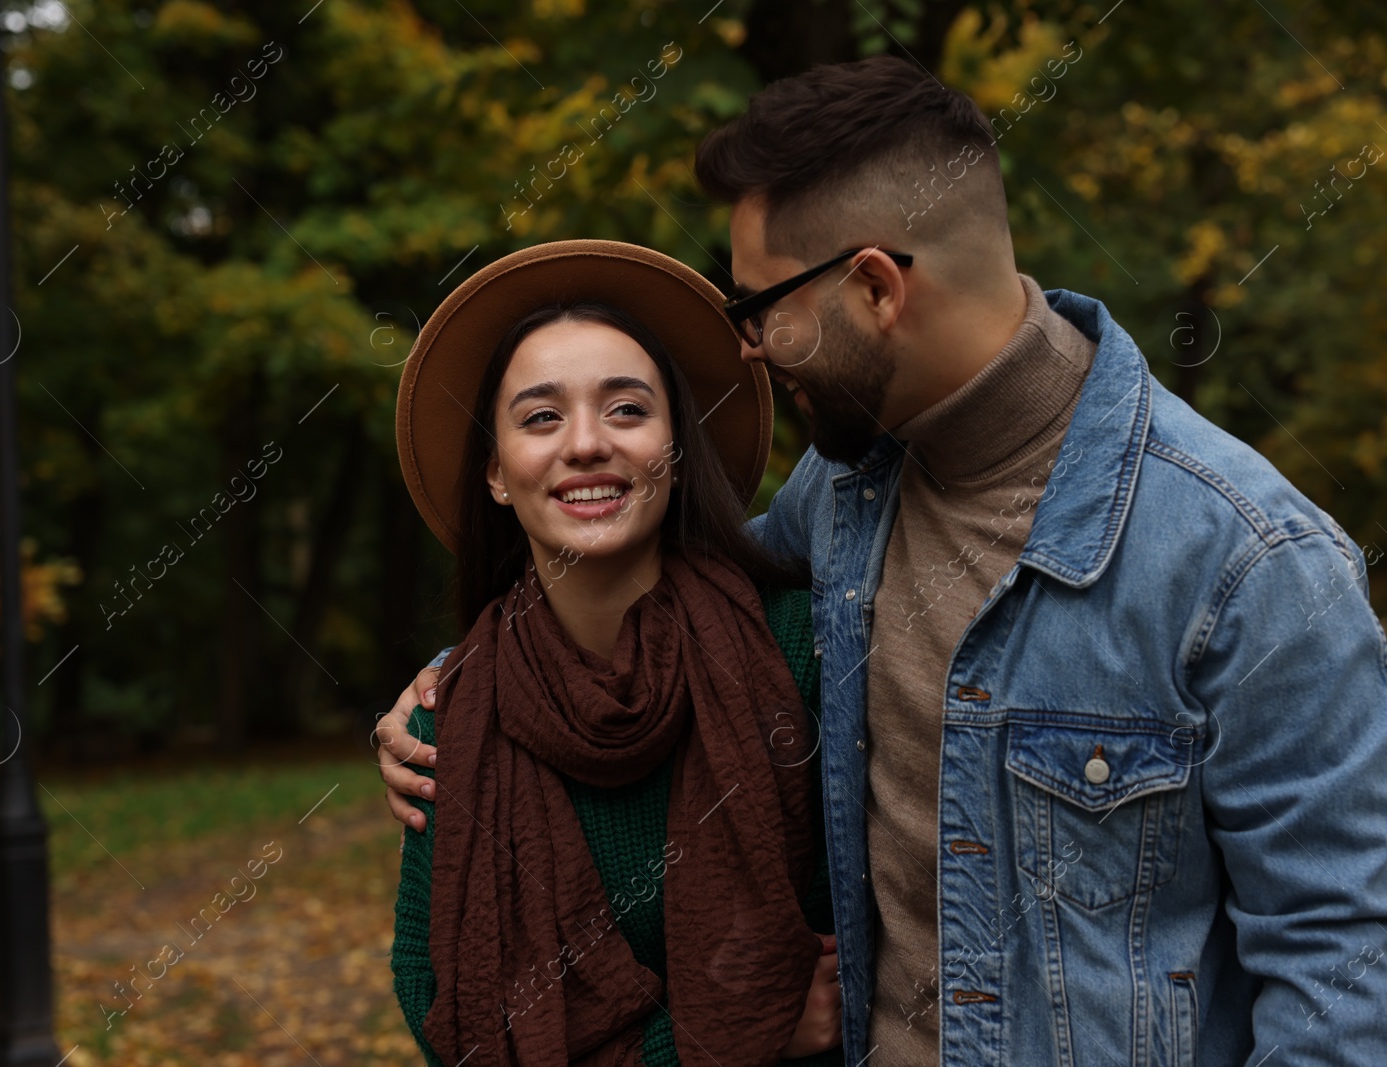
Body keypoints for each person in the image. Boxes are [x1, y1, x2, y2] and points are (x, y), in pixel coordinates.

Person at [380, 57, 1387, 1064]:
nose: (748, 350)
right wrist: (460, 690)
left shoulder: (1250, 564)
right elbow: (652, 605)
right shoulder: (845, 489)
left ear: (872, 286)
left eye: (758, 309)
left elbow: (1344, 969)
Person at [387, 239, 846, 1066]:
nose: (587, 443)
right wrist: (735, 1037)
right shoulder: (446, 716)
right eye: (540, 416)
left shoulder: (798, 649)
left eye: (628, 409)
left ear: (675, 448)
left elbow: (869, 939)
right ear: (496, 472)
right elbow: (445, 1009)